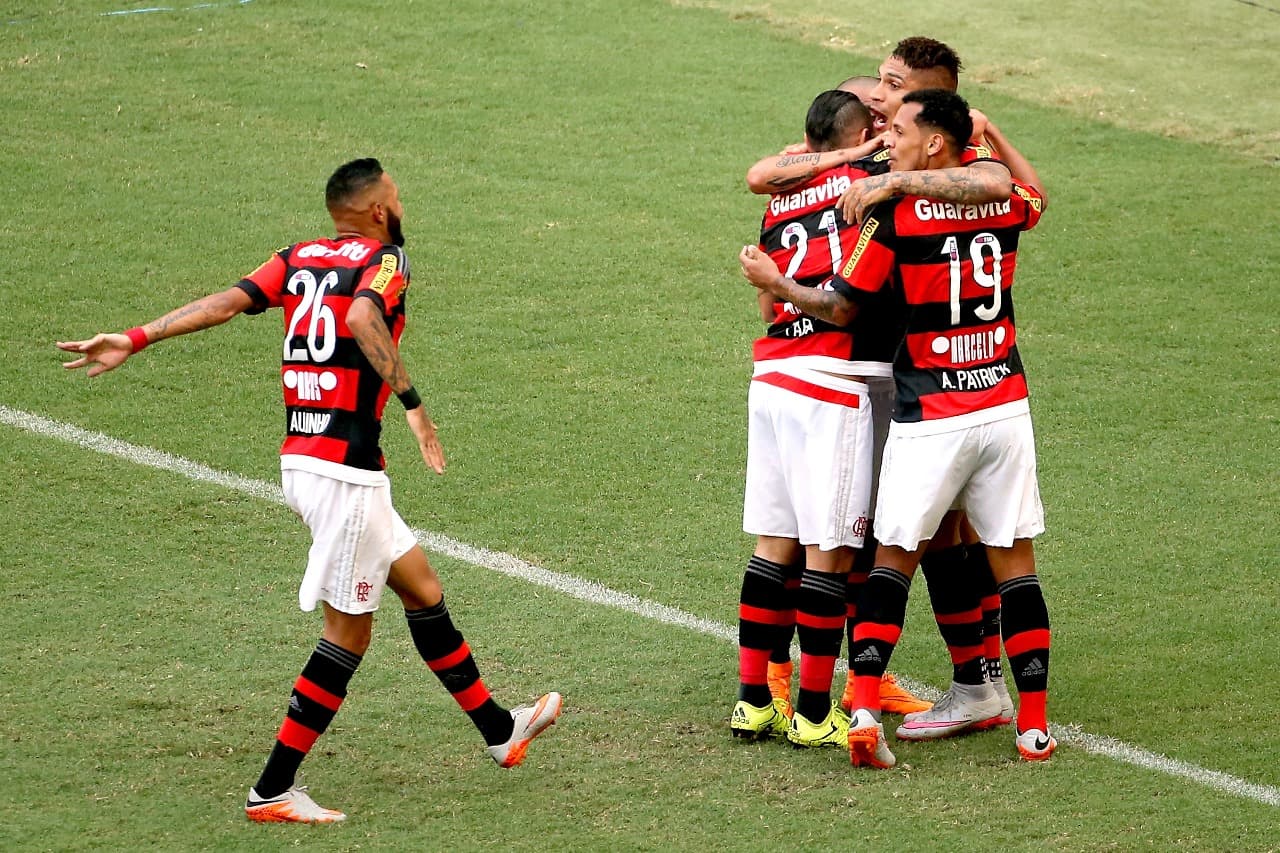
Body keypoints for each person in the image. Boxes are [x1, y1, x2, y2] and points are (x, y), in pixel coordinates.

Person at [57, 158, 562, 822]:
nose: (400, 205)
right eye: (396, 196)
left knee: (422, 589)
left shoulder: (297, 258)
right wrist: (413, 405)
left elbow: (225, 303)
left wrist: (136, 336)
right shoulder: (385, 261)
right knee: (347, 635)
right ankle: (272, 789)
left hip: (306, 459)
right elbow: (362, 317)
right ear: (378, 210)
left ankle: (500, 730)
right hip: (344, 475)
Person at [738, 89, 1055, 768]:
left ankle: (858, 710)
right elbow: (1029, 193)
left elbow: (840, 305)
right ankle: (1032, 725)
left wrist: (776, 283)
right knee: (1015, 564)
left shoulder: (893, 211)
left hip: (930, 410)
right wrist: (991, 137)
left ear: (933, 141)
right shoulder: (1000, 198)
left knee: (889, 559)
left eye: (901, 128)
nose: (890, 136)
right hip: (1003, 403)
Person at [732, 89, 898, 748]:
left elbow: (764, 300)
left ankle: (752, 702)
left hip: (772, 375)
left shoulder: (781, 195)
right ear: (861, 135)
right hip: (832, 378)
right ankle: (812, 713)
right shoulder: (867, 184)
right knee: (830, 554)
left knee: (773, 544)